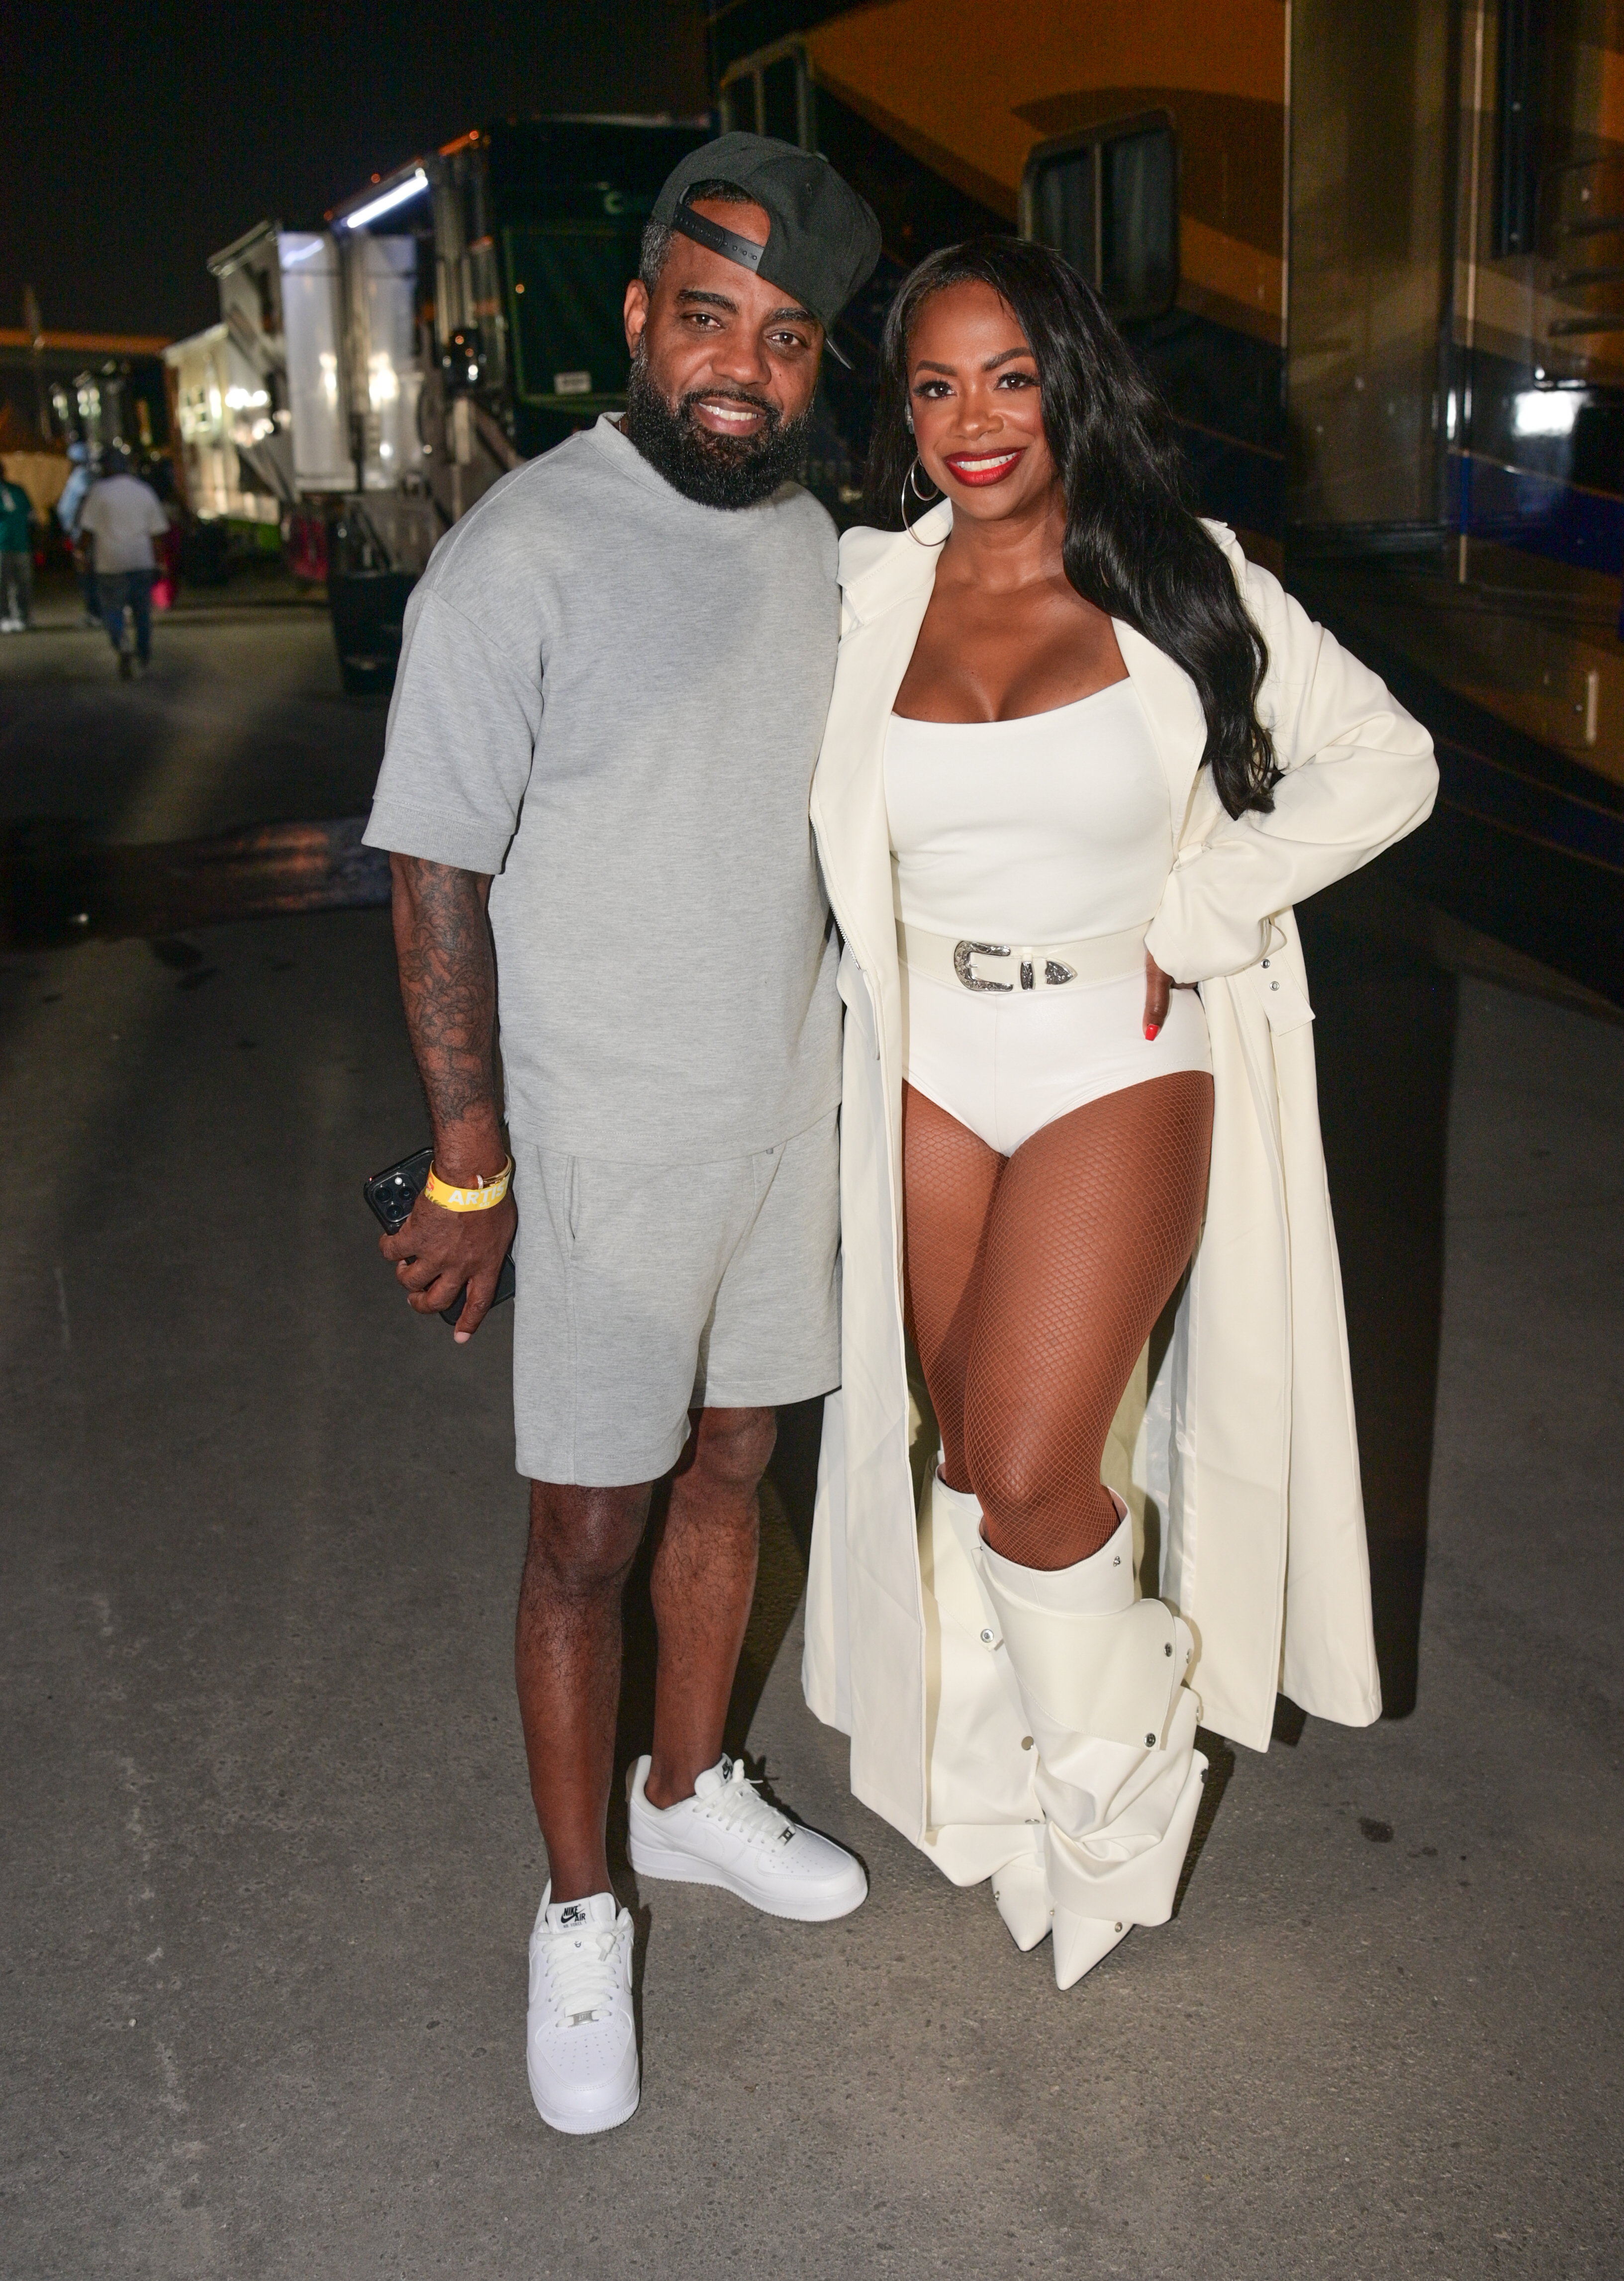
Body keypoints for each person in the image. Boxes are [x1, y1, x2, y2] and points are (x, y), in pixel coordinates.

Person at [802, 239, 1439, 1990]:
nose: (970, 420)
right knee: (968, 1460)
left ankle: (1113, 1781)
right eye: (931, 386)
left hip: (1118, 1046)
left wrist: (1207, 903)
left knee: (1021, 1458)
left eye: (1005, 374)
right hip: (928, 1060)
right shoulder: (861, 595)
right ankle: (1009, 1788)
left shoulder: (1180, 577)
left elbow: (1384, 758)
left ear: (1066, 379)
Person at [361, 133, 882, 2136]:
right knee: (584, 1533)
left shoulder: (811, 545)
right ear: (641, 313)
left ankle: (686, 1800)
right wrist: (469, 1159)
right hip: (591, 1150)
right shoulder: (527, 550)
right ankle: (576, 1909)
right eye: (707, 316)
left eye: (784, 333)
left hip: (777, 1119)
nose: (740, 365)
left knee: (737, 1458)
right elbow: (431, 871)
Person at [79, 447, 169, 678]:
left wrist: (80, 554)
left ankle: (122, 644)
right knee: (142, 612)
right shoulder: (144, 491)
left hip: (110, 563)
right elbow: (157, 533)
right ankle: (144, 653)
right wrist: (161, 562)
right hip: (141, 560)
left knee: (112, 610)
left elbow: (87, 531)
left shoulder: (98, 493)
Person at [56, 442, 100, 625]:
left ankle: (95, 613)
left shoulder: (82, 476)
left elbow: (83, 501)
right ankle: (94, 611)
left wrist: (78, 527)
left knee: (87, 574)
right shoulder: (82, 476)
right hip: (80, 533)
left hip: (83, 535)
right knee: (87, 573)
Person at [0, 468, 32, 630]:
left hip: (20, 543)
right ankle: (4, 617)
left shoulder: (17, 490)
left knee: (23, 582)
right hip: (2, 544)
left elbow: (29, 513)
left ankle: (22, 616)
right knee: (2, 583)